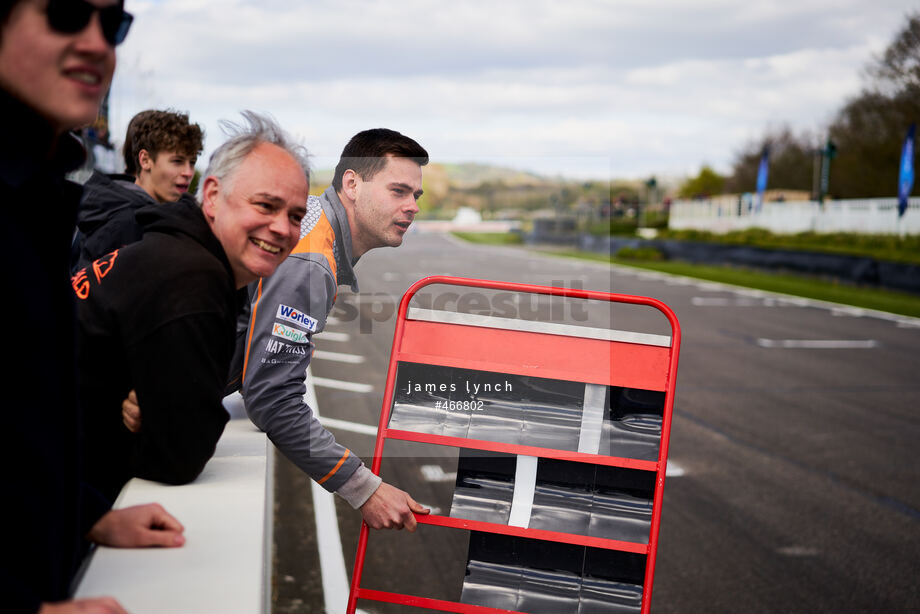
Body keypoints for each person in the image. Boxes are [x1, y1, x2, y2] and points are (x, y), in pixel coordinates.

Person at [0, 1, 184, 613]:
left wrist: (84, 516)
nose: (96, 44)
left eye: (112, 25)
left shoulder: (36, 201)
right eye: (66, 13)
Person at [75, 111, 310, 504]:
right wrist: (162, 407)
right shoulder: (192, 277)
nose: (283, 228)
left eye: (296, 215)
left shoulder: (180, 252)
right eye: (266, 206)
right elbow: (181, 455)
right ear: (214, 196)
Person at [234, 129, 430, 529]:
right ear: (352, 184)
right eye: (398, 191)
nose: (412, 207)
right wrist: (364, 488)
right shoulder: (310, 261)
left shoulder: (310, 223)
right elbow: (271, 399)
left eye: (416, 196)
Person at [72, 109, 203, 271]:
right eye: (177, 161)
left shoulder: (124, 209)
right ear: (145, 160)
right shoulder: (127, 222)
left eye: (192, 162)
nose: (188, 173)